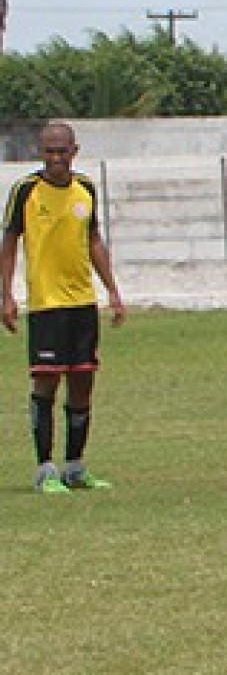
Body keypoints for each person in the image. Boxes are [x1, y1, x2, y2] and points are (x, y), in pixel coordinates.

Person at [1, 121, 126, 494]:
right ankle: (45, 469)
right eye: (48, 151)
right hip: (46, 305)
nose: (55, 158)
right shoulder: (25, 191)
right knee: (46, 380)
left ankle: (75, 466)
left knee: (83, 381)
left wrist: (113, 291)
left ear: (74, 151)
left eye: (62, 151)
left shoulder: (85, 188)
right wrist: (5, 295)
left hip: (82, 303)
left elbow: (93, 239)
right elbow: (8, 243)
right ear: (42, 152)